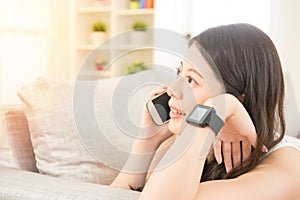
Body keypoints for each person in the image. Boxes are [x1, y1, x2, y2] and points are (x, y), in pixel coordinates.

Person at [111, 23, 300, 199]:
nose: (172, 89)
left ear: (239, 98)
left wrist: (218, 108)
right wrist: (148, 141)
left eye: (191, 80)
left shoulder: (288, 170)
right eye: (179, 72)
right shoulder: (179, 144)